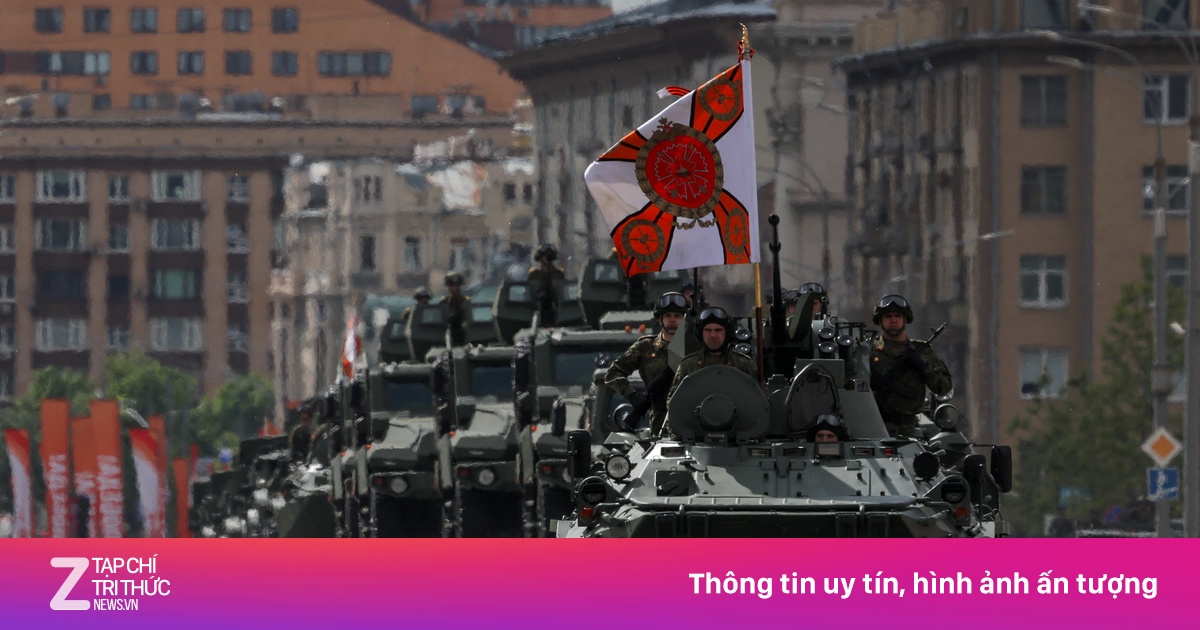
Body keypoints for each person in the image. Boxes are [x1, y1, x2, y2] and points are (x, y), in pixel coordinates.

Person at [869, 294, 953, 436]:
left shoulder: (922, 351)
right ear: (880, 320)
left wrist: (923, 367)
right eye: (888, 316)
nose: (893, 320)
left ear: (905, 319)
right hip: (873, 427)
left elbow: (943, 387)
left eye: (898, 316)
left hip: (908, 429)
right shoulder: (869, 350)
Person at [604, 292, 688, 435]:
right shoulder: (645, 347)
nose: (672, 320)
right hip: (659, 422)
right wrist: (632, 395)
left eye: (677, 316)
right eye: (668, 316)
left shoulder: (693, 347)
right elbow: (612, 374)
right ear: (660, 319)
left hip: (690, 420)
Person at [666, 307, 757, 407]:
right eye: (708, 330)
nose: (713, 335)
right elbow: (673, 403)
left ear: (728, 333)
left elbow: (760, 403)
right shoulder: (688, 365)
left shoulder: (744, 365)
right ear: (700, 334)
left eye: (718, 330)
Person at [527, 244, 565, 325]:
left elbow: (562, 289)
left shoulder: (558, 273)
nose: (547, 258)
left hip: (556, 304)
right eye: (545, 256)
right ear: (541, 257)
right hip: (538, 305)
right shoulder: (535, 273)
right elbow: (531, 290)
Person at [440, 272, 470, 346]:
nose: (452, 288)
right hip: (448, 332)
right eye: (450, 286)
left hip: (463, 332)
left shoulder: (465, 300)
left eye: (454, 286)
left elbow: (469, 317)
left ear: (459, 287)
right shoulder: (444, 301)